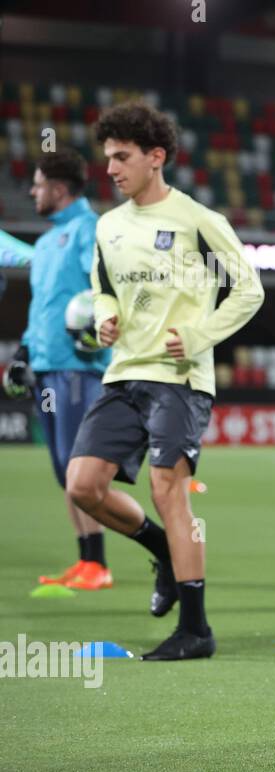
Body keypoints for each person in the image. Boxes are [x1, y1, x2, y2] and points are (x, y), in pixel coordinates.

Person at [64, 101, 265, 660]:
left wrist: (201, 333)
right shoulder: (108, 226)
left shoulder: (198, 221)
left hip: (179, 379)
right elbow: (103, 285)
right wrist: (106, 314)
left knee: (166, 489)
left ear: (157, 157)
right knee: (82, 486)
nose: (110, 169)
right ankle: (160, 550)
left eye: (122, 157)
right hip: (123, 372)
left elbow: (249, 289)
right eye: (107, 158)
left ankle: (196, 630)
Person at [5, 150, 113, 590]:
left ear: (59, 188)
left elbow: (108, 285)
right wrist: (24, 355)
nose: (32, 191)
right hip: (48, 369)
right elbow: (42, 309)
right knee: (62, 471)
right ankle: (86, 559)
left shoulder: (92, 231)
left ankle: (101, 563)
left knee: (78, 470)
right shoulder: (48, 243)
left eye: (37, 184)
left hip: (80, 369)